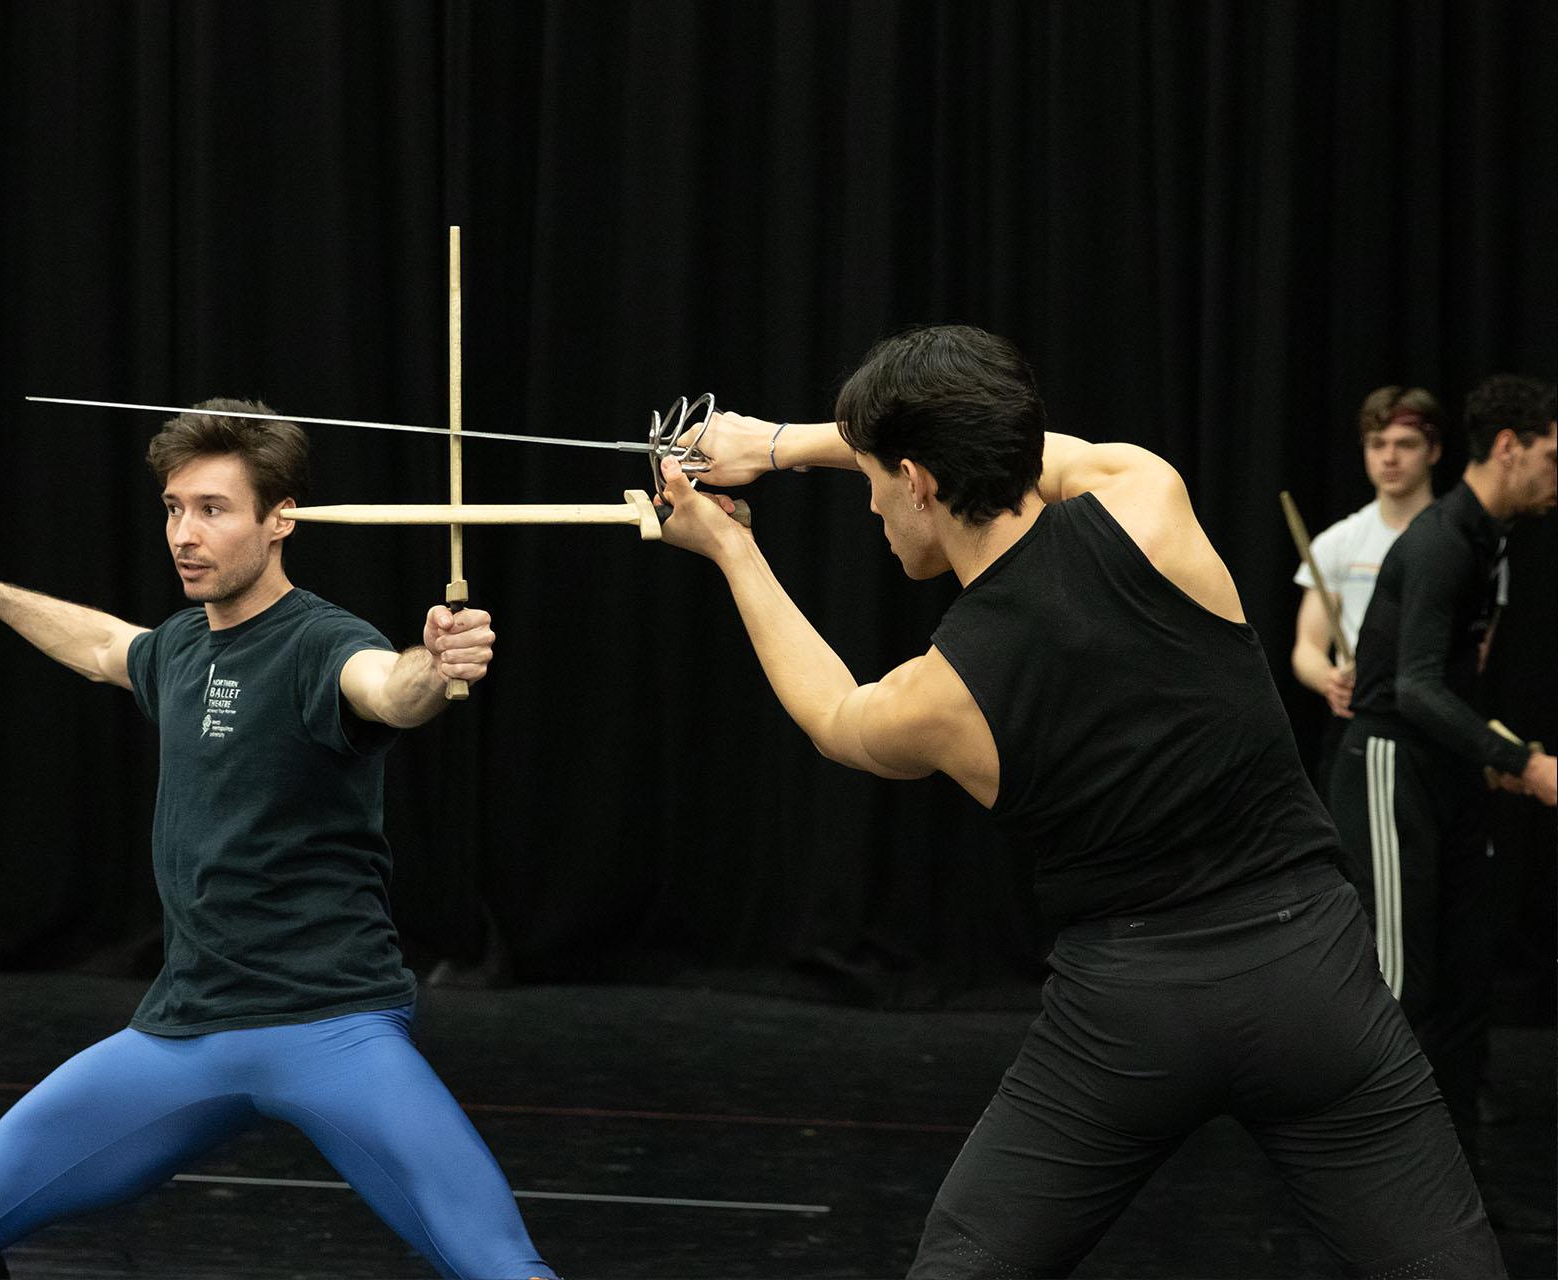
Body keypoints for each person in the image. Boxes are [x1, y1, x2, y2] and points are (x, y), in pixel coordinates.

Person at [658, 325, 1503, 1277]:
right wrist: (778, 442)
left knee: (964, 1263)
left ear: (921, 482)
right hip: (1313, 978)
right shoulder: (1147, 497)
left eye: (874, 477)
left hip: (1132, 1017)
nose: (870, 501)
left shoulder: (937, 698)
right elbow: (1023, 449)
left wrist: (731, 548)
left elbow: (832, 713)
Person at [0, 401, 554, 1280]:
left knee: (504, 1271)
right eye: (173, 509)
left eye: (213, 509)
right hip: (188, 1031)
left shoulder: (321, 641)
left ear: (280, 520)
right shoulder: (182, 650)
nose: (184, 534)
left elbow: (389, 689)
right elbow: (100, 646)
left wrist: (434, 663)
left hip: (332, 1028)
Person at [1327, 374, 1557, 1184]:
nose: (1555, 472)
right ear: (1509, 447)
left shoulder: (1488, 540)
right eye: (1551, 455)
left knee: (1464, 990)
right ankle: (1373, 1191)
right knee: (1398, 991)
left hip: (1445, 771)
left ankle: (1455, 1195)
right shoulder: (1441, 539)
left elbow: (1450, 690)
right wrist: (1522, 760)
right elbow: (1417, 688)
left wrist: (1493, 753)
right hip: (1392, 771)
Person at [1289, 387, 1443, 790]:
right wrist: (1329, 680)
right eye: (1377, 444)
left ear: (1434, 450)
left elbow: (1476, 652)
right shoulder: (1338, 542)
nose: (1389, 457)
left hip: (1437, 727)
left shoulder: (1460, 545)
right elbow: (1306, 648)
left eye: (1405, 444)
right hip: (1359, 726)